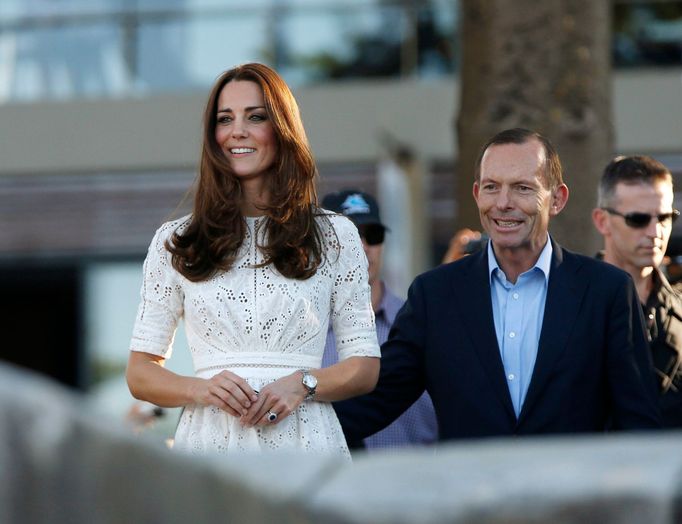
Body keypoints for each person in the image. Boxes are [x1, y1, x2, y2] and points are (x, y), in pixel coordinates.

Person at [335, 128, 661, 442]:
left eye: (522, 187)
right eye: (492, 187)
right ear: (477, 195)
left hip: (573, 496)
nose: (503, 202)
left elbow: (638, 423)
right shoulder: (434, 296)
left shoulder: (606, 291)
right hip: (472, 496)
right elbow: (373, 403)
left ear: (557, 199)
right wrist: (293, 418)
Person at [126, 63, 380, 458]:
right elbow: (140, 373)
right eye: (224, 119)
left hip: (307, 446)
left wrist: (303, 384)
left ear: (282, 128)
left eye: (255, 117)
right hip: (209, 449)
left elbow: (364, 366)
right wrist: (201, 388)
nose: (237, 131)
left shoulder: (335, 235)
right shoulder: (175, 240)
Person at [321, 189, 438, 450]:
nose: (362, 245)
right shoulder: (304, 333)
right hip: (334, 486)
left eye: (372, 235)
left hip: (418, 485)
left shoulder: (420, 320)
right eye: (348, 234)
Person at [592, 155, 682, 427]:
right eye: (638, 219)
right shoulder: (567, 306)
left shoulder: (679, 307)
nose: (655, 231)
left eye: (666, 217)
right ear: (602, 221)